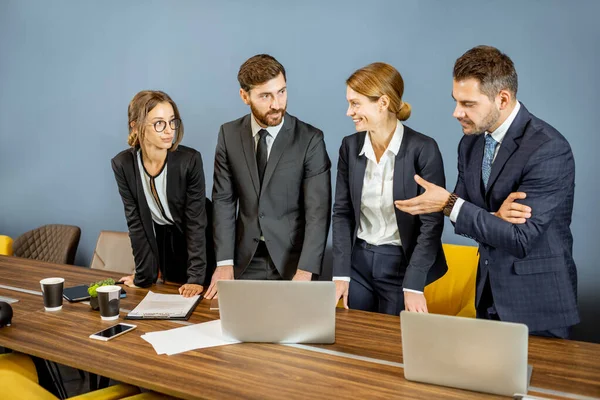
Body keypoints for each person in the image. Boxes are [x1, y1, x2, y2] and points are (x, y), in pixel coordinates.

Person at [395, 46, 579, 337]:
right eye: (455, 101)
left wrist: (450, 203)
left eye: (468, 103)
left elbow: (519, 238)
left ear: (502, 99)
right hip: (488, 296)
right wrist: (491, 215)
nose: (456, 113)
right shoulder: (470, 144)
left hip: (538, 306)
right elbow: (460, 217)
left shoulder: (548, 149)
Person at [205, 54, 331, 299]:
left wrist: (305, 272)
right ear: (245, 96)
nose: (277, 104)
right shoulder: (228, 135)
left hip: (292, 263)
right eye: (266, 96)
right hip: (243, 260)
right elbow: (223, 201)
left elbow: (318, 212)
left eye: (282, 92)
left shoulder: (310, 139)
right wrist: (224, 262)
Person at [332, 62, 447, 315]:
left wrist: (414, 284)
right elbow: (342, 212)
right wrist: (341, 272)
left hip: (401, 266)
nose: (349, 112)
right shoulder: (349, 147)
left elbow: (432, 223)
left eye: (355, 103)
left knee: (392, 346)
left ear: (382, 103)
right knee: (352, 340)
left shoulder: (424, 149)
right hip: (358, 263)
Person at [112, 90, 207, 297]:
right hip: (168, 245)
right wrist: (142, 277)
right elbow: (136, 224)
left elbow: (196, 223)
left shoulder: (189, 160)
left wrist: (196, 278)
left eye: (172, 121)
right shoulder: (123, 165)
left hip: (205, 242)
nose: (169, 131)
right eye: (159, 123)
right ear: (136, 126)